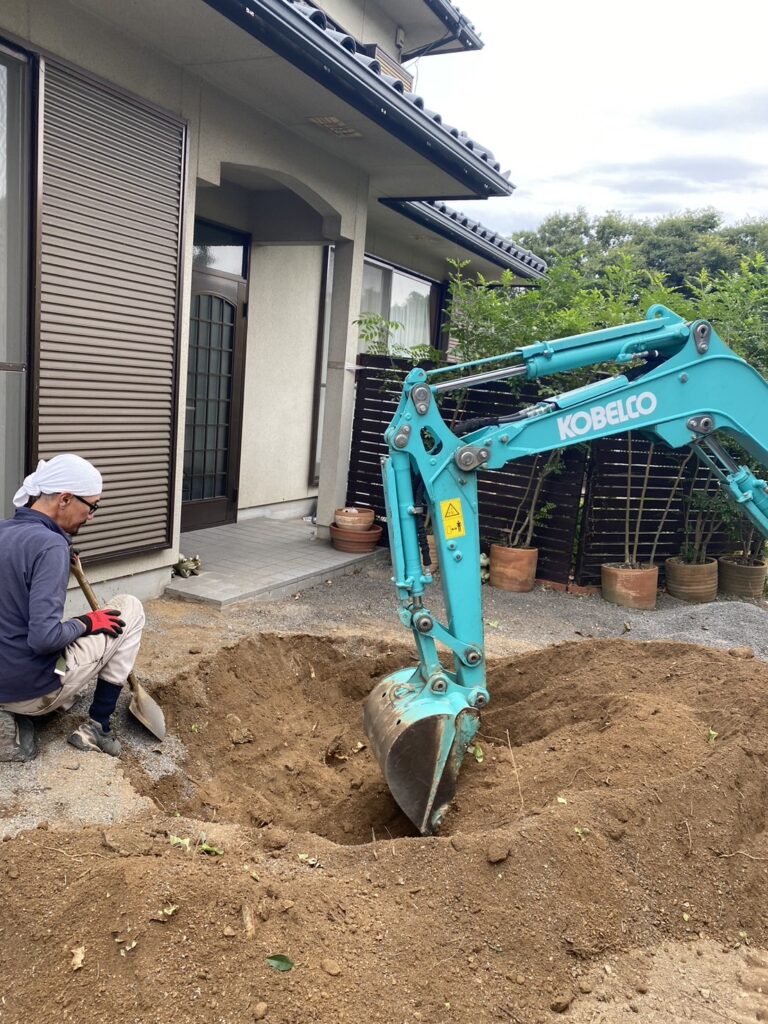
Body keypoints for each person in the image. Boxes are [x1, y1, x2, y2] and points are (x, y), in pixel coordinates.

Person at [0, 454, 146, 762]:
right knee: (129, 609)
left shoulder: (5, 531)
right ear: (65, 499)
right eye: (92, 506)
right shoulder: (50, 547)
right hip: (32, 690)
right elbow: (44, 639)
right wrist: (88, 622)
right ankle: (98, 725)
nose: (92, 515)